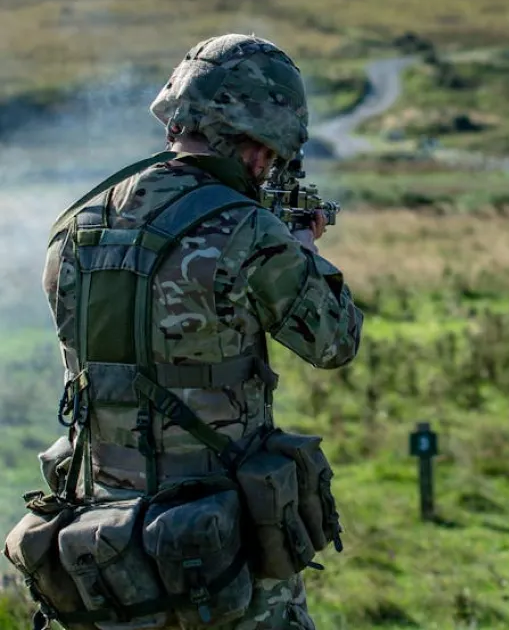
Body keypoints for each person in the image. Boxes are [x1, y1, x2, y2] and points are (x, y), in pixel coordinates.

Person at [38, 33, 364, 629]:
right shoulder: (247, 229)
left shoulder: (77, 226)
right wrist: (303, 247)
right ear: (261, 145)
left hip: (102, 548)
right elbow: (335, 341)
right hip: (220, 543)